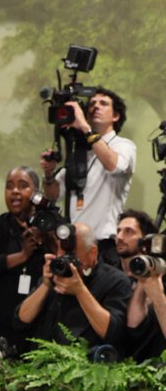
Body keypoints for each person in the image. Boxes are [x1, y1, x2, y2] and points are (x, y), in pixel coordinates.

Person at [39, 87, 136, 264]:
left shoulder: (124, 146)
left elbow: (113, 165)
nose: (96, 107)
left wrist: (85, 127)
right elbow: (53, 195)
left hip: (105, 247)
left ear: (116, 116)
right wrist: (49, 174)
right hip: (73, 244)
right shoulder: (80, 152)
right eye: (91, 104)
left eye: (103, 104)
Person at [13, 220, 131, 357]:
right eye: (61, 250)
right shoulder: (54, 275)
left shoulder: (116, 281)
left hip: (86, 369)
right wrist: (46, 284)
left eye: (72, 253)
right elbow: (20, 321)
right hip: (40, 365)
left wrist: (80, 290)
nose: (64, 258)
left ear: (92, 253)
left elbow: (112, 333)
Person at [0, 166, 46, 351]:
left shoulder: (48, 231)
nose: (15, 191)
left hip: (36, 330)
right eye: (9, 186)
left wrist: (47, 240)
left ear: (36, 193)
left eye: (22, 186)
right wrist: (22, 256)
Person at [114, 209, 166, 361]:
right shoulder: (109, 275)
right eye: (118, 231)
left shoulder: (160, 275)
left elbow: (137, 326)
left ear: (145, 240)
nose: (119, 237)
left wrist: (145, 275)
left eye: (128, 231)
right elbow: (132, 325)